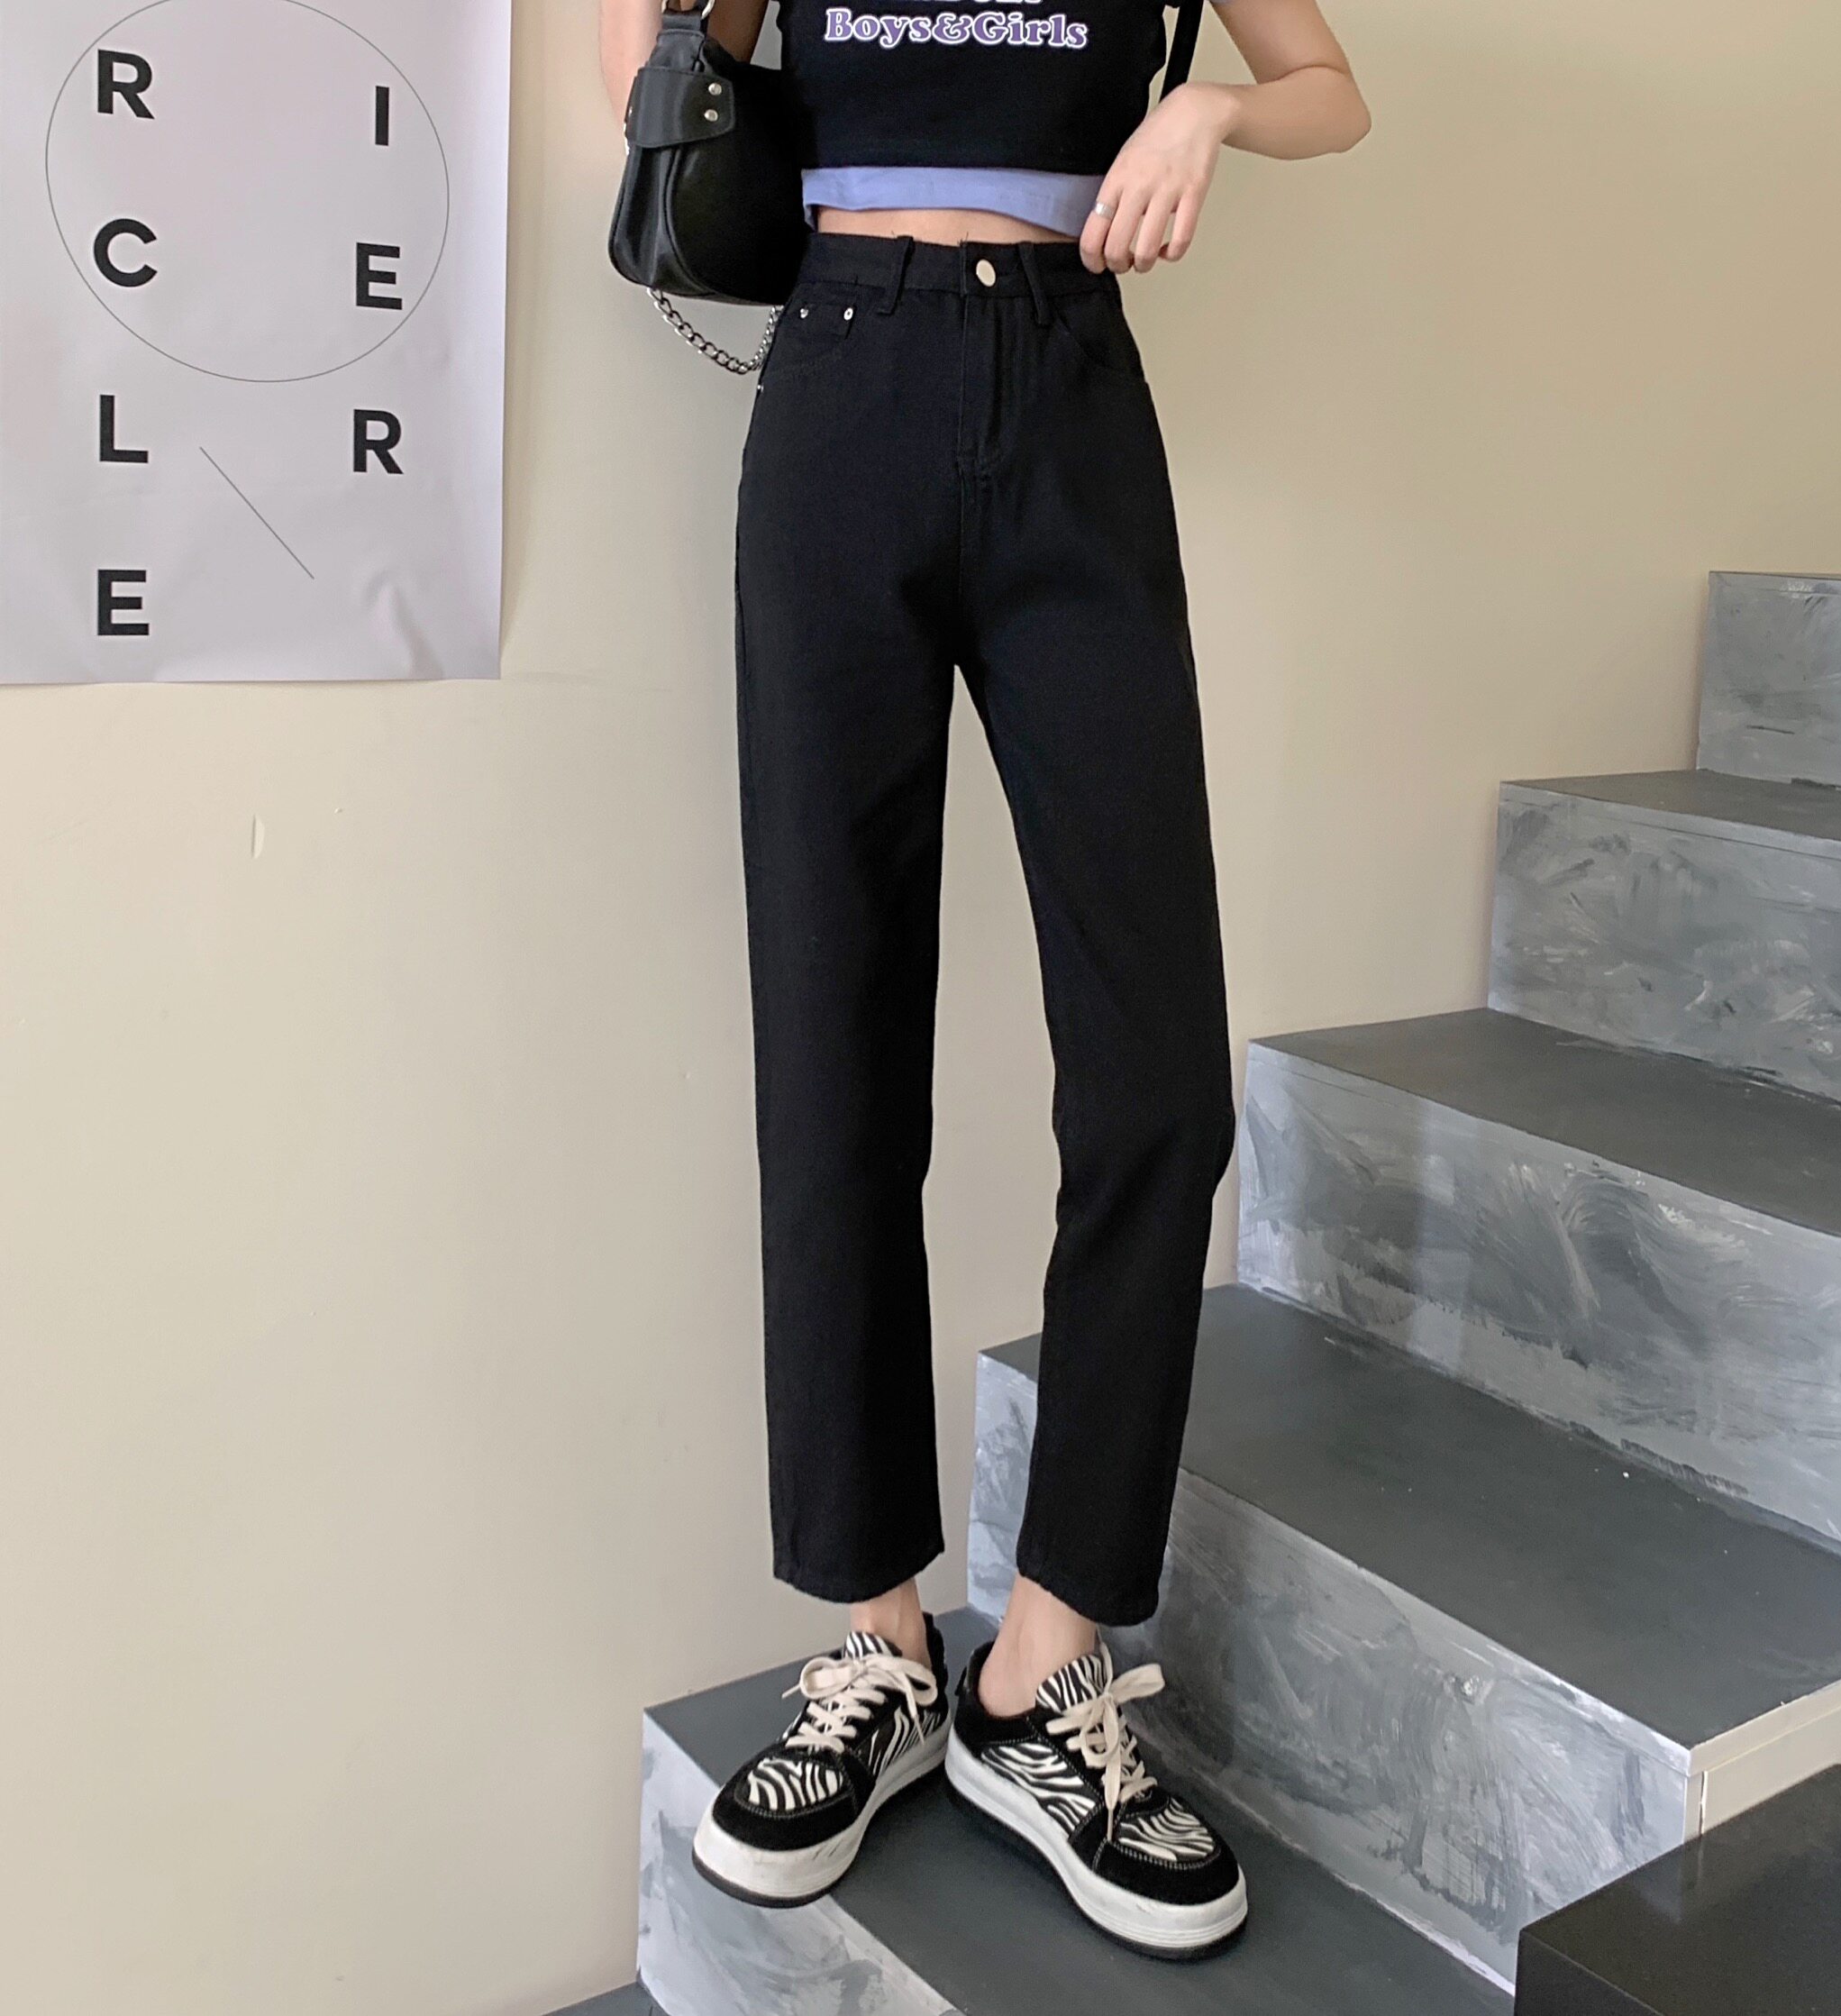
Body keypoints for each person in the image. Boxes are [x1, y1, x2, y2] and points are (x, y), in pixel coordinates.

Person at [600, 0, 1369, 1956]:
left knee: (1158, 1076)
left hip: (1074, 406)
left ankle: (1041, 1670)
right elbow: (652, 79)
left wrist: (1210, 111)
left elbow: (1333, 90)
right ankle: (875, 1641)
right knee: (836, 1048)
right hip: (840, 385)